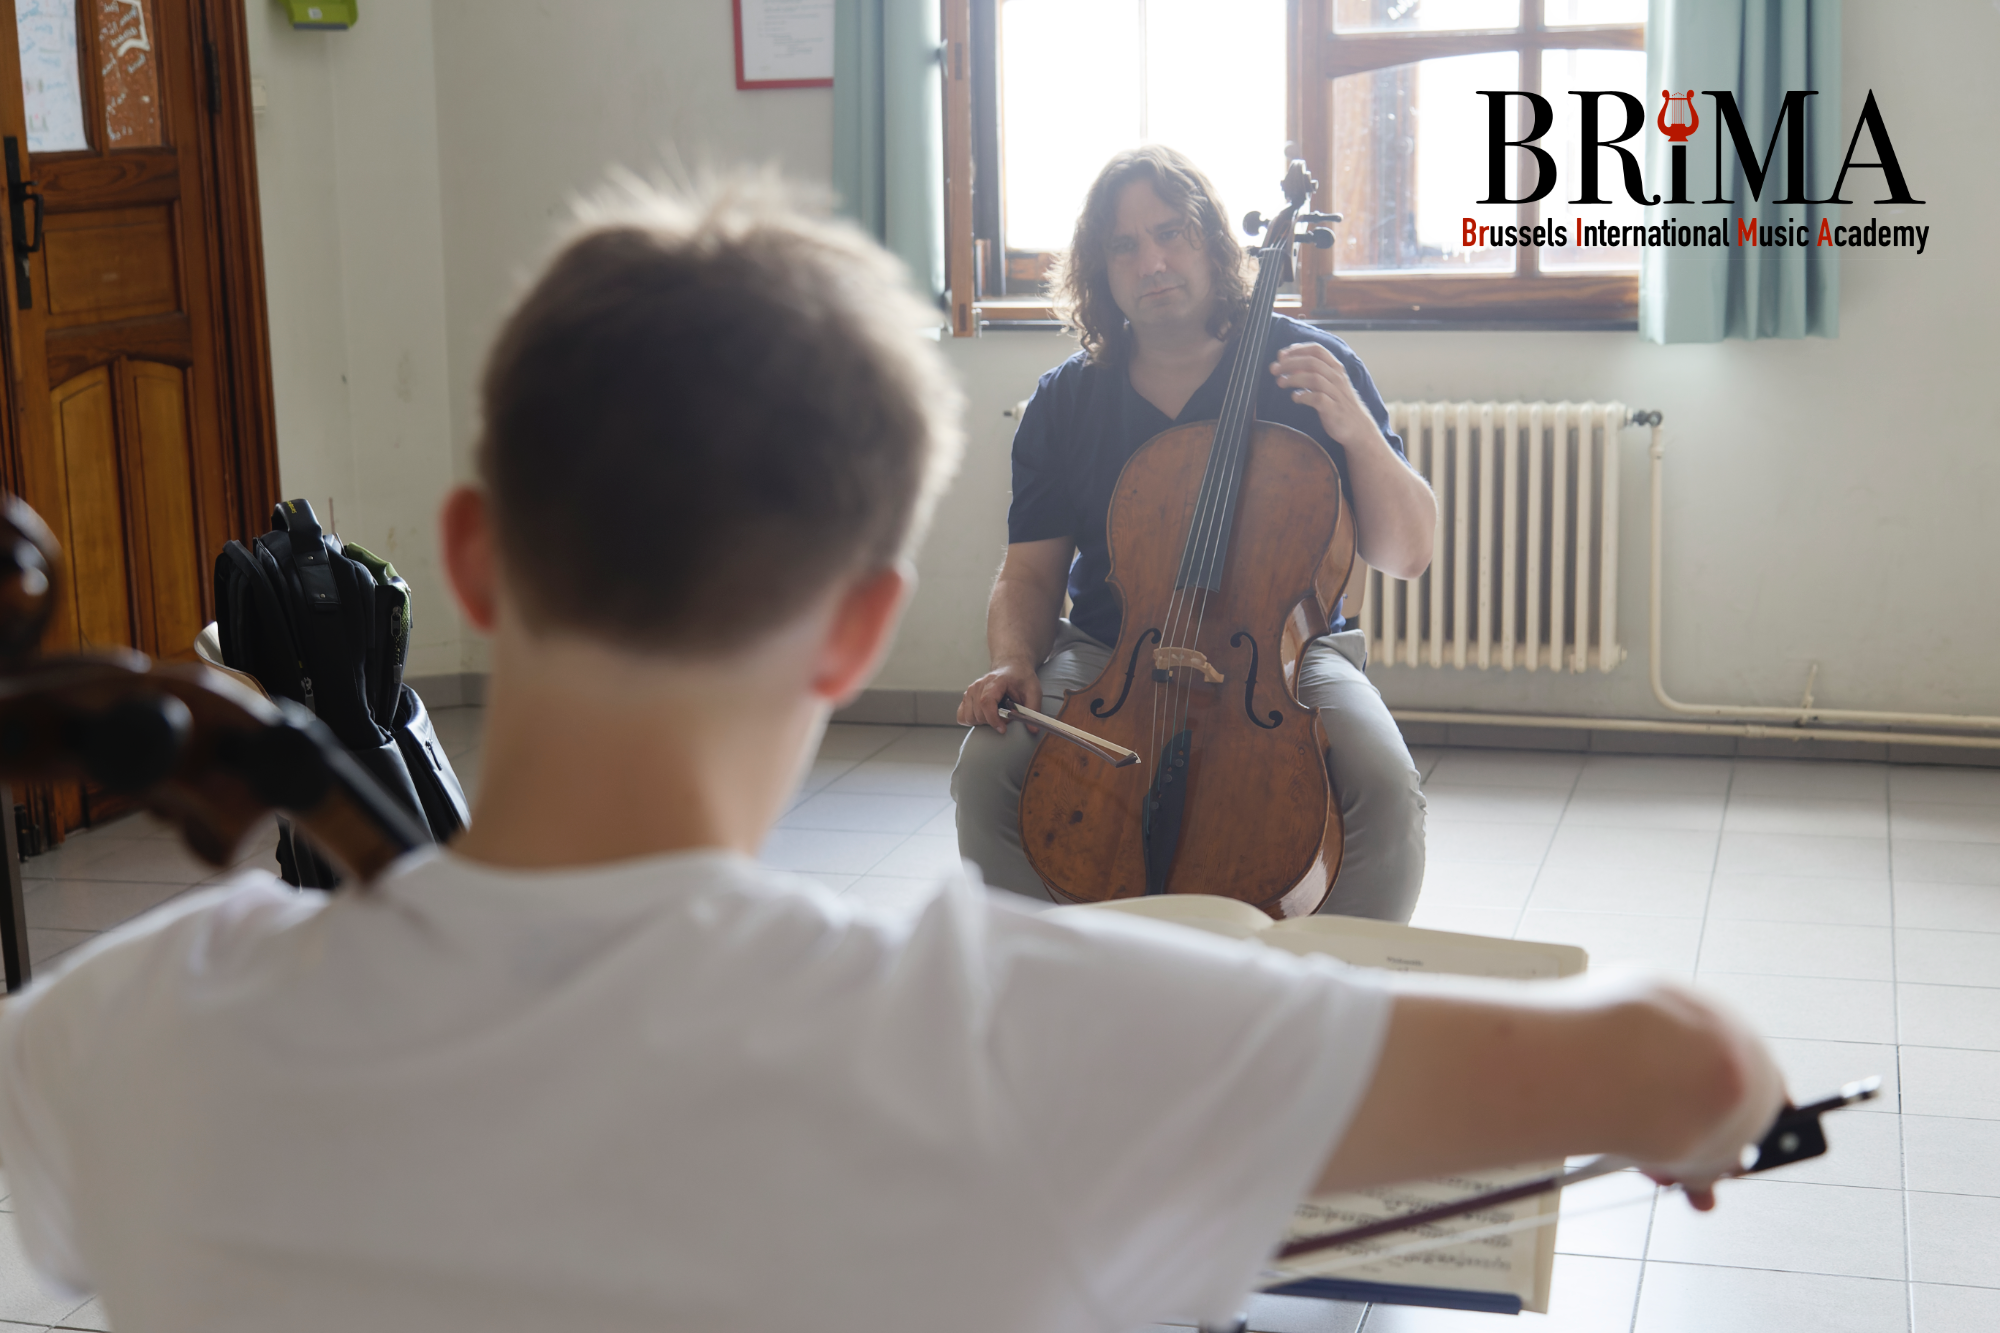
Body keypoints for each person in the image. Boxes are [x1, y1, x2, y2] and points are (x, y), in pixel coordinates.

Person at [0, 171, 1782, 1333]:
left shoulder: (123, 1026)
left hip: (1283, 663)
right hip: (1113, 710)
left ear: (468, 561)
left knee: (1362, 770)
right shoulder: (1044, 1034)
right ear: (859, 630)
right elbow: (1680, 1053)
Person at [953, 146, 1435, 920]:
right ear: (1100, 270)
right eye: (1126, 244)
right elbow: (1031, 574)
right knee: (987, 769)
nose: (1153, 259)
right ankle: (1041, 966)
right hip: (1115, 650)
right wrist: (1012, 660)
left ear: (1213, 242)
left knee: (1383, 787)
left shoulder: (1308, 364)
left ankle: (1348, 990)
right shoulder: (1067, 400)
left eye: (1171, 232)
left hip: (1283, 657)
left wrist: (1357, 432)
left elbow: (1407, 554)